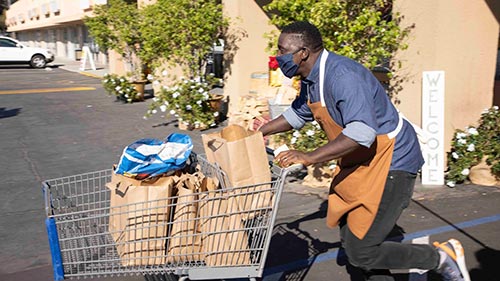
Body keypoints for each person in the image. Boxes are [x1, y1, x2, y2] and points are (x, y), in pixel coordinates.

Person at [259, 21, 470, 281]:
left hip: (393, 160)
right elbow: (300, 112)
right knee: (353, 243)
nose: (277, 56)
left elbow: (361, 133)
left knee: (362, 251)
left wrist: (309, 156)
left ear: (302, 52)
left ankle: (438, 257)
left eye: (282, 50)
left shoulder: (343, 76)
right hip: (360, 161)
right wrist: (260, 132)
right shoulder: (311, 79)